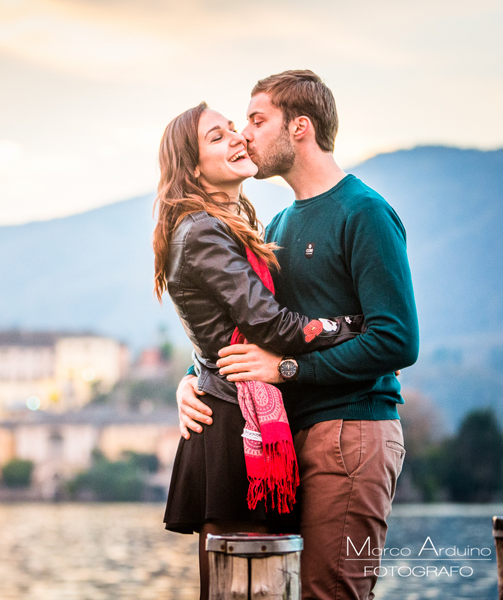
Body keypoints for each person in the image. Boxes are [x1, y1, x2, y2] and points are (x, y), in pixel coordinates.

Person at [176, 70, 419, 599]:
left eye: (258, 121)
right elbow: (248, 323)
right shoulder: (278, 225)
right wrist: (193, 378)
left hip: (352, 431)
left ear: (300, 127)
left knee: (331, 593)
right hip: (286, 440)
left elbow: (397, 341)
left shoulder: (365, 212)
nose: (245, 134)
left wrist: (287, 369)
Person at [153, 101, 366, 600]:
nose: (235, 138)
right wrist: (346, 326)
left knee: (254, 586)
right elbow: (267, 323)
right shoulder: (203, 230)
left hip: (237, 414)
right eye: (216, 137)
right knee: (245, 587)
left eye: (234, 128)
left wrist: (192, 375)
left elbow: (225, 331)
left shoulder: (228, 224)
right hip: (231, 427)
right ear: (191, 165)